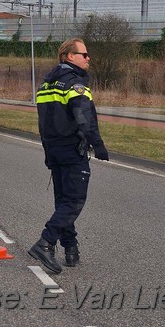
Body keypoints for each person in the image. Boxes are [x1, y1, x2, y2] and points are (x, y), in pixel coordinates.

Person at [29, 38, 109, 274]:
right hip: (73, 151)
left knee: (63, 202)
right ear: (68, 56)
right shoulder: (76, 85)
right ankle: (45, 242)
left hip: (54, 150)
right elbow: (84, 117)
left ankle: (70, 248)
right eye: (84, 54)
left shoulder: (46, 87)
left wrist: (48, 151)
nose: (88, 58)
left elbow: (43, 124)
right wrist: (98, 144)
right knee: (74, 202)